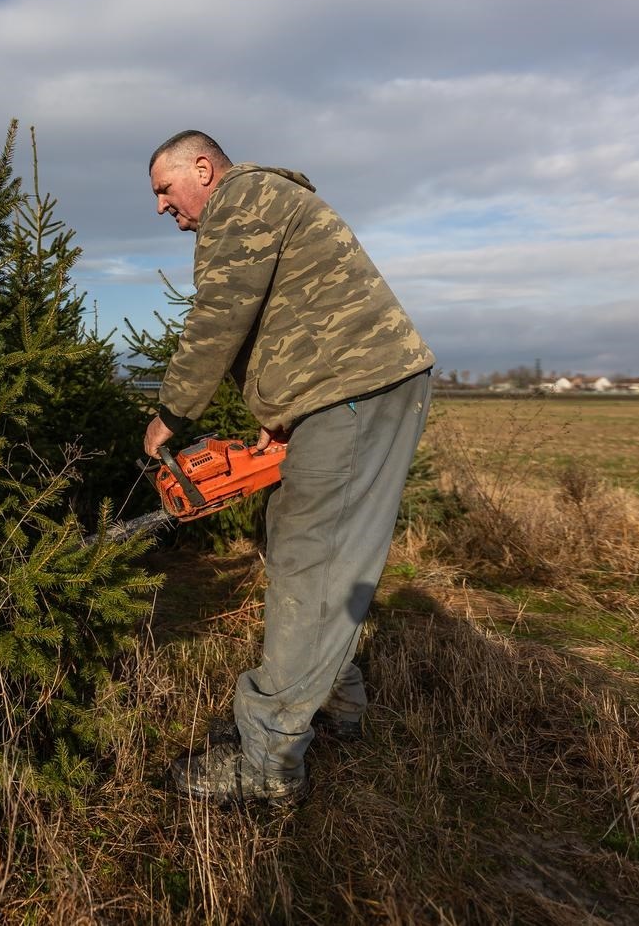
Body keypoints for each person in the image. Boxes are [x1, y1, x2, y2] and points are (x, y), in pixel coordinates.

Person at [142, 130, 434, 804]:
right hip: (337, 395)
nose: (162, 206)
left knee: (309, 556)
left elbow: (219, 317)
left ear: (203, 169)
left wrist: (171, 414)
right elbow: (284, 319)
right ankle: (334, 701)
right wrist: (281, 419)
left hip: (355, 392)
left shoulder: (240, 201)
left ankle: (265, 762)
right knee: (295, 541)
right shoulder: (262, 201)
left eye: (164, 188)